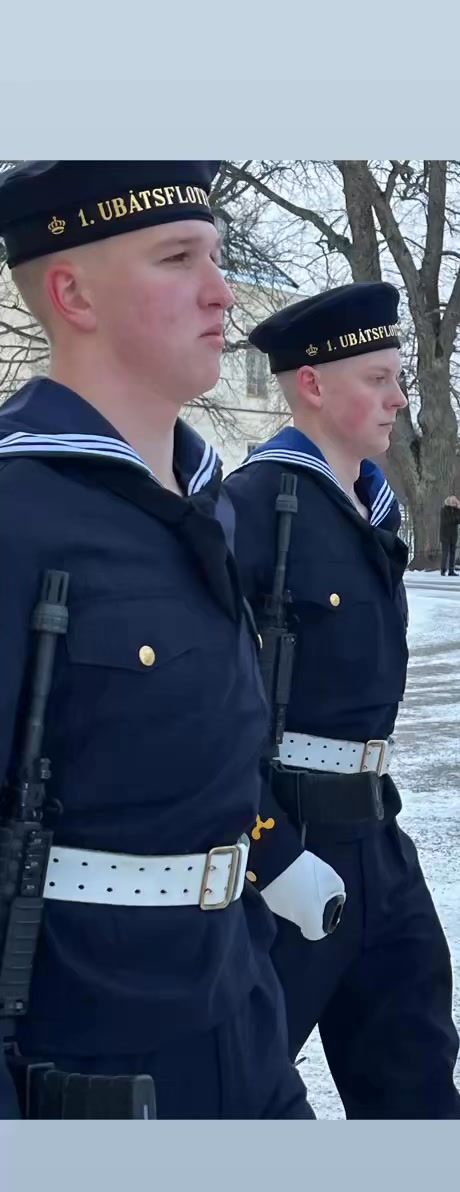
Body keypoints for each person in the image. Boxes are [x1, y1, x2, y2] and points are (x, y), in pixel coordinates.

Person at [0, 161, 313, 1120]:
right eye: (178, 258)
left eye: (217, 256)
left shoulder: (201, 503)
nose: (221, 291)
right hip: (86, 1056)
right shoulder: (16, 512)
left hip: (235, 1006)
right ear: (71, 292)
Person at [224, 282, 460, 1120]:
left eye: (400, 376)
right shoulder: (251, 508)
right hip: (288, 843)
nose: (401, 397)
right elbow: (209, 716)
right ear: (314, 385)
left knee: (416, 1076)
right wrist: (271, 855)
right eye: (379, 377)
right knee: (240, 1097)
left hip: (377, 836)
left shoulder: (371, 508)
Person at [440, 496, 460, 576]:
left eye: (455, 502)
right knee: (445, 553)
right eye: (452, 502)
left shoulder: (457, 510)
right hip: (445, 534)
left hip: (453, 534)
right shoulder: (444, 510)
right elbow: (446, 521)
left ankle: (451, 570)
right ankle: (443, 570)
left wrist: (458, 512)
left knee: (453, 553)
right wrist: (455, 519)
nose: (454, 503)